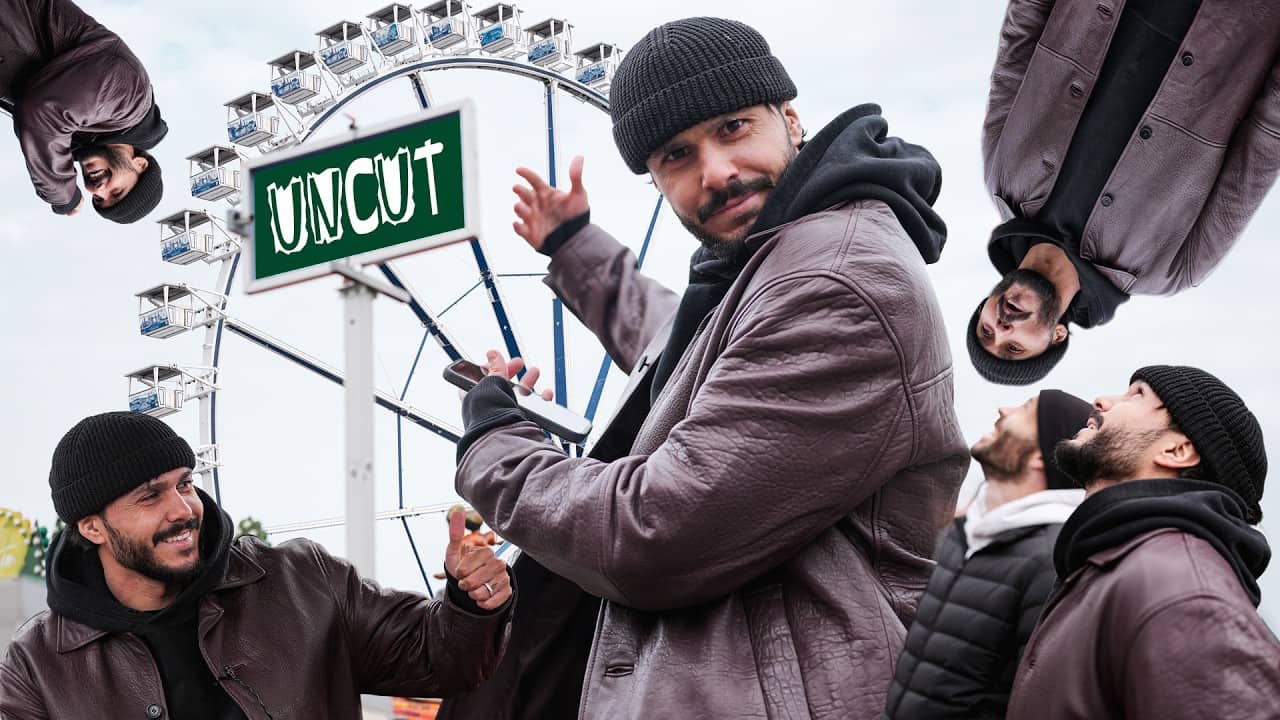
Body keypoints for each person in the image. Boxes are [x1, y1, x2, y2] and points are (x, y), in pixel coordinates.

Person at [444, 16, 970, 719]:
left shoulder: (834, 284)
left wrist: (495, 446)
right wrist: (574, 248)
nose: (715, 173)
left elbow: (651, 534)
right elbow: (683, 346)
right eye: (677, 156)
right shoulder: (782, 260)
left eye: (732, 128)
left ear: (789, 116)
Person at [0, 411, 514, 718]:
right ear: (92, 528)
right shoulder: (37, 666)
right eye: (150, 496)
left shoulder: (302, 580)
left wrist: (471, 603)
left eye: (183, 482)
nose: (183, 508)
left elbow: (441, 660)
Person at [970, 0, 1280, 384]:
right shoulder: (1171, 268)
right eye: (1014, 347)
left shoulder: (1002, 175)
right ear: (1057, 336)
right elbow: (1262, 148)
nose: (1001, 329)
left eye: (985, 331)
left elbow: (1021, 34)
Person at [1006, 366, 1280, 719]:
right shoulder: (1115, 564)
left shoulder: (1182, 591)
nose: (1101, 402)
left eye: (1137, 395)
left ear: (1177, 450)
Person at [884, 389, 1092, 719]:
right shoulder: (967, 532)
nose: (1002, 409)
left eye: (1025, 409)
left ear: (1044, 455)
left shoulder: (1052, 562)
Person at [0, 0, 167, 222]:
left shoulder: (79, 135)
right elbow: (43, 111)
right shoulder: (130, 98)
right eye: (116, 192)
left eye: (98, 199)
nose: (98, 189)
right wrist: (62, 193)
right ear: (139, 164)